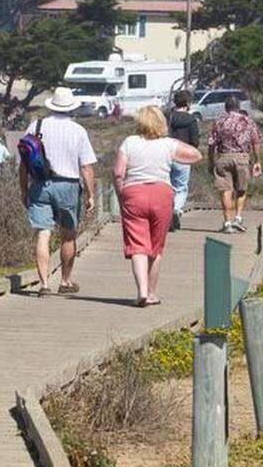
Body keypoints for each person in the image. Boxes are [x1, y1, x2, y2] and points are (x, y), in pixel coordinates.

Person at [114, 106, 203, 306]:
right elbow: (196, 155)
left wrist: (122, 194)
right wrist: (173, 142)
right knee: (156, 248)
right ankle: (152, 293)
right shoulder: (167, 144)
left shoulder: (129, 142)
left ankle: (142, 291)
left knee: (138, 246)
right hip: (161, 194)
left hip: (134, 193)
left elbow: (118, 173)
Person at [18, 86, 97, 296]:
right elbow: (86, 167)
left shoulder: (36, 126)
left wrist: (24, 190)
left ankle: (44, 284)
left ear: (52, 106)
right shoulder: (78, 131)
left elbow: (24, 164)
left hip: (40, 185)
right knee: (68, 236)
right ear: (71, 107)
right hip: (68, 185)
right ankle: (65, 281)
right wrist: (91, 195)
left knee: (43, 234)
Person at [208, 94, 262, 233]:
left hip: (223, 157)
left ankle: (227, 223)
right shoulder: (247, 121)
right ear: (238, 107)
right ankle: (238, 218)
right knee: (241, 189)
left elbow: (211, 143)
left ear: (226, 107)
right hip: (242, 158)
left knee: (226, 191)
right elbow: (256, 142)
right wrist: (257, 160)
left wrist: (211, 161)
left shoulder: (219, 121)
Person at [167, 90, 200, 232]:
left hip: (167, 156)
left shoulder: (168, 117)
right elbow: (195, 141)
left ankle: (168, 215)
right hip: (183, 157)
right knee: (181, 188)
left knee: (168, 187)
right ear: (187, 103)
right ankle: (176, 209)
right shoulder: (191, 120)